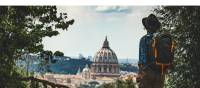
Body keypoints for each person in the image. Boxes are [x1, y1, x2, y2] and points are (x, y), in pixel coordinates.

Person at [137, 14, 165, 88]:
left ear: (146, 27)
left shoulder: (144, 39)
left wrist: (140, 74)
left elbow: (143, 60)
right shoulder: (160, 39)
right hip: (160, 74)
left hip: (148, 73)